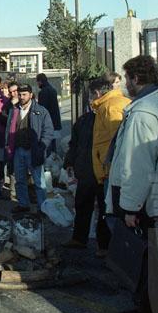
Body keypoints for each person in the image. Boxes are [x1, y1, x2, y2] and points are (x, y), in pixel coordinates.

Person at [106, 56, 158, 313]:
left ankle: (148, 310)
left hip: (147, 200)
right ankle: (151, 307)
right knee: (155, 259)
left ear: (136, 78)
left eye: (126, 79)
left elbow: (137, 165)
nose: (125, 84)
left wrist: (130, 207)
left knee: (144, 259)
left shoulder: (142, 114)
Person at [63, 79, 110, 256]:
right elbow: (74, 144)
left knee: (104, 209)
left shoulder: (110, 116)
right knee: (82, 205)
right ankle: (79, 238)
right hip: (85, 171)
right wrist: (69, 162)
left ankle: (104, 245)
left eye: (92, 95)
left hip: (103, 172)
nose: (91, 100)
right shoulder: (84, 120)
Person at [5, 84, 54, 213]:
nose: (21, 97)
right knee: (19, 180)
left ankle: (42, 208)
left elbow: (48, 131)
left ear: (31, 95)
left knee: (39, 182)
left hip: (34, 150)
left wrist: (41, 147)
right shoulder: (14, 110)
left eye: (24, 94)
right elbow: (9, 129)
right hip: (18, 150)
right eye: (20, 94)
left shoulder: (41, 111)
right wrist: (8, 145)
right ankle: (23, 204)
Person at [91, 71, 130, 203]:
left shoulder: (109, 107)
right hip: (114, 166)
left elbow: (118, 138)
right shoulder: (117, 102)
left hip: (113, 168)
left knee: (113, 207)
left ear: (97, 93)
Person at [35, 73, 62, 154]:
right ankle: (54, 158)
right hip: (55, 121)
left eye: (37, 82)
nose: (37, 84)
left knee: (47, 145)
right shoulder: (52, 89)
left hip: (47, 122)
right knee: (53, 144)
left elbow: (42, 109)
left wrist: (35, 114)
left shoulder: (43, 92)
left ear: (40, 81)